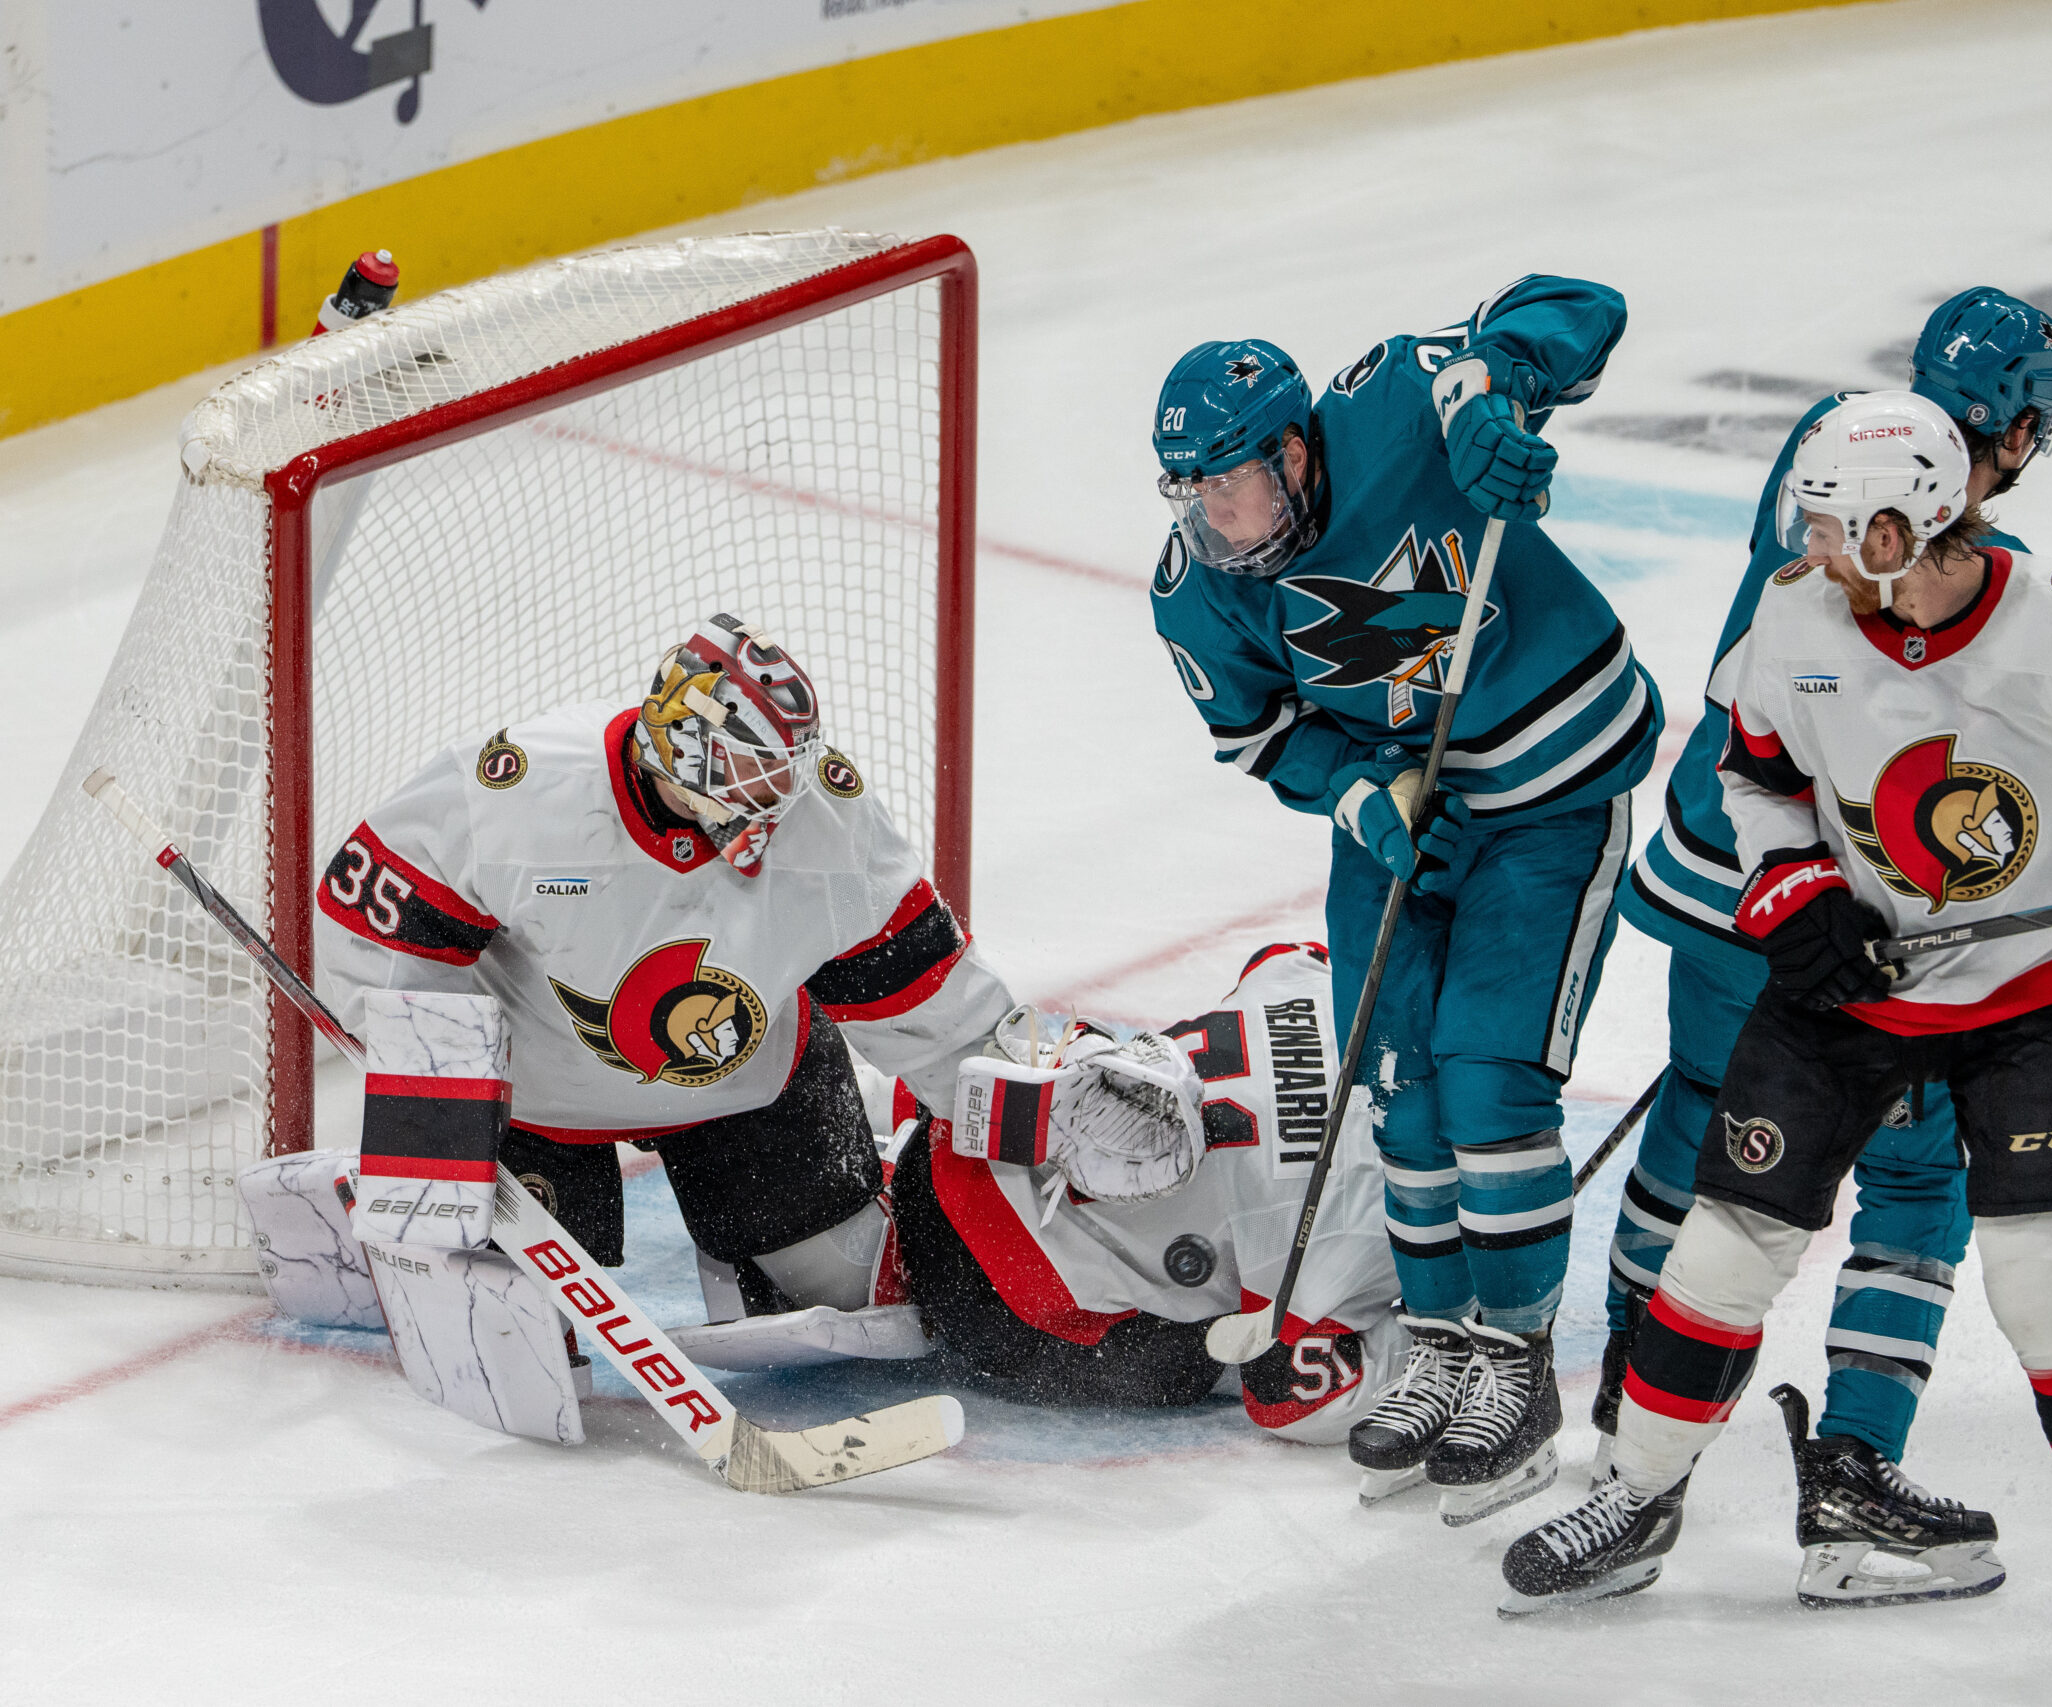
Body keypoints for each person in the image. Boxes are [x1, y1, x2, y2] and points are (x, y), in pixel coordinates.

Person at [1499, 389, 2052, 1694]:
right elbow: (1758, 776)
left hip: (2031, 1000)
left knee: (2039, 1274)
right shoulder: (1799, 619)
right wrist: (1796, 890)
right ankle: (1636, 1497)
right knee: (1723, 1249)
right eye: (1821, 528)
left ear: (1923, 521)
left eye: (1854, 531)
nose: (1827, 555)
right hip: (1852, 990)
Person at [297, 613, 1204, 1425]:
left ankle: (748, 1250)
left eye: (785, 769)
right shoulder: (520, 792)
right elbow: (373, 935)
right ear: (677, 752)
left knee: (858, 1298)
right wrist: (436, 1118)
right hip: (540, 1106)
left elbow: (930, 999)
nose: (778, 798)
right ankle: (367, 1209)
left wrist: (1044, 1095)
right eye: (749, 770)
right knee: (519, 1347)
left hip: (749, 1084)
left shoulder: (825, 827)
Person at [1148, 277, 1663, 1522]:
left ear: (1293, 445)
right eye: (1197, 492)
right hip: (1400, 814)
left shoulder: (1390, 403)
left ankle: (1517, 1360)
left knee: (1489, 1084)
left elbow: (1573, 307)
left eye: (1240, 480)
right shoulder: (1196, 587)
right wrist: (1361, 798)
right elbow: (1261, 734)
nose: (1223, 514)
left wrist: (1496, 394)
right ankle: (1438, 1339)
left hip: (1547, 784)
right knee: (1399, 1092)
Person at [1596, 288, 2052, 1605]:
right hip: (1842, 919)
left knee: (1700, 1122)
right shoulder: (1978, 569)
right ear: (2019, 428)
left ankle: (1628, 1452)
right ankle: (1854, 1480)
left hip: (1720, 866)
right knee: (1919, 1183)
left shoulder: (1828, 440)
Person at [876, 940, 1404, 1444]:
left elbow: (1279, 955)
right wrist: (1430, 1330)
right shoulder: (1363, 1219)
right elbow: (1286, 1396)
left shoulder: (1325, 981)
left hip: (957, 1139)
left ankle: (883, 1150)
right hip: (1006, 1306)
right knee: (1207, 1354)